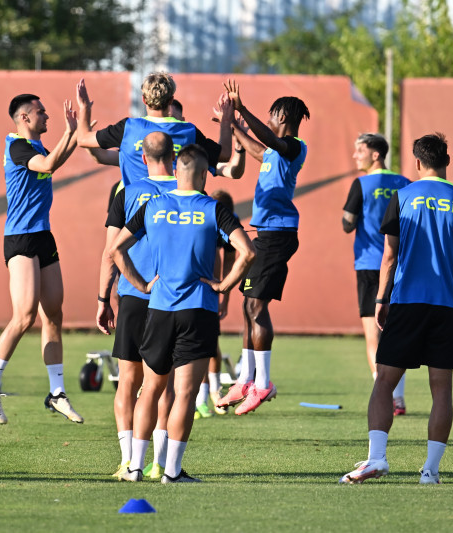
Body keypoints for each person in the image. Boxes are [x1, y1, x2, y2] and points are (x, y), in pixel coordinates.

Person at [340, 132, 453, 484]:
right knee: (442, 389)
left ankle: (376, 459)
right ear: (447, 160)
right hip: (446, 305)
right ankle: (430, 472)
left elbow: (390, 256)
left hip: (406, 302)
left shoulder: (403, 197)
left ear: (417, 163)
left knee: (385, 381)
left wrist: (381, 299)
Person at [111, 144, 255, 483]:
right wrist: (223, 286)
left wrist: (142, 284)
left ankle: (134, 467)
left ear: (176, 171)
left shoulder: (153, 206)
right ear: (204, 175)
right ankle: (171, 472)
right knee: (186, 393)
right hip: (197, 310)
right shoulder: (213, 208)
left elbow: (116, 249)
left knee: (150, 388)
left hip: (158, 308)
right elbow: (247, 252)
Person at [0, 94, 83, 424]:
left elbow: (53, 158)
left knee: (53, 314)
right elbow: (50, 165)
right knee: (24, 317)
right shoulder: (17, 147)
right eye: (41, 112)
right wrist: (70, 132)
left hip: (42, 236)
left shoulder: (36, 148)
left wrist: (73, 132)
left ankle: (57, 393)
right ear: (25, 118)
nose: (46, 115)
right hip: (20, 237)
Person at [216, 80, 310, 415]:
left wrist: (241, 109)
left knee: (256, 308)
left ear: (282, 117)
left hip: (278, 235)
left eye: (271, 116)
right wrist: (234, 127)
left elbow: (269, 141)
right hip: (267, 234)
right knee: (248, 307)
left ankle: (263, 383)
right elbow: (259, 150)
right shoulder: (274, 152)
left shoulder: (293, 147)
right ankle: (245, 379)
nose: (268, 120)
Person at [96, 131, 178, 478]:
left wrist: (104, 297)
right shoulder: (187, 192)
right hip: (172, 299)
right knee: (165, 383)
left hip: (132, 295)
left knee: (127, 380)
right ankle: (161, 462)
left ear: (143, 158)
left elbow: (110, 250)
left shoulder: (125, 191)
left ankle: (128, 461)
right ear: (173, 156)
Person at [342, 133, 411, 415]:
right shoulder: (405, 184)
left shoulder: (361, 184)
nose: (355, 155)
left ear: (375, 155)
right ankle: (399, 397)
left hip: (370, 266)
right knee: (398, 333)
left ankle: (386, 397)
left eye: (360, 150)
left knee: (373, 334)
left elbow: (347, 224)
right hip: (401, 266)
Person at [75, 73, 231, 188]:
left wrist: (85, 109)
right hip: (173, 216)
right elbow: (224, 154)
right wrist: (226, 120)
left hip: (134, 217)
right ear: (171, 100)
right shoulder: (188, 131)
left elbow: (83, 139)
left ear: (144, 100)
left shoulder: (128, 127)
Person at [194, 189, 237, 419]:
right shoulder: (194, 215)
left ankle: (209, 394)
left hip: (207, 291)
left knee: (209, 345)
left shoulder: (228, 221)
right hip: (181, 288)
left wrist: (224, 295)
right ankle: (198, 397)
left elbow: (230, 259)